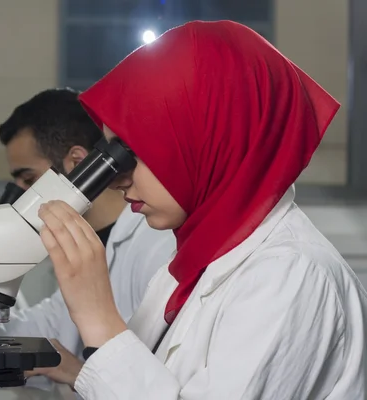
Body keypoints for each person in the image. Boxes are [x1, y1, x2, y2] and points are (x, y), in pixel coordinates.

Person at [35, 20, 367, 398]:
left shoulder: (291, 274)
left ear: (208, 142)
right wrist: (82, 371)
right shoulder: (191, 266)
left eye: (133, 152)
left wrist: (98, 319)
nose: (117, 179)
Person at [0, 88, 176, 385]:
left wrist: (79, 374)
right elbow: (43, 330)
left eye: (29, 179)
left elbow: (158, 379)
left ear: (76, 162)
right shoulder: (91, 243)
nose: (21, 194)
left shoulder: (157, 246)